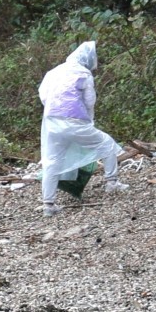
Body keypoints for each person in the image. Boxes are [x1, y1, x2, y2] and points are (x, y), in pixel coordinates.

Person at [38, 40, 126, 217]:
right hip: (74, 121)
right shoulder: (83, 74)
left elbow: (43, 95)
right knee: (107, 144)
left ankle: (48, 203)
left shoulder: (53, 72)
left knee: (52, 161)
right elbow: (90, 101)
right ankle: (112, 182)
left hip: (52, 121)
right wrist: (87, 118)